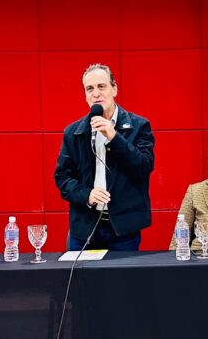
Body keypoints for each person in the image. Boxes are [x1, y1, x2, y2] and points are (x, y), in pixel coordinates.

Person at [54, 63, 155, 250]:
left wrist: (114, 137)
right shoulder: (73, 132)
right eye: (90, 89)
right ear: (85, 95)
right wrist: (87, 194)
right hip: (85, 226)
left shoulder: (139, 125)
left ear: (114, 89)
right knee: (81, 280)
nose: (96, 93)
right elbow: (62, 178)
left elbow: (143, 167)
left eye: (102, 86)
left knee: (122, 280)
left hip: (123, 229)